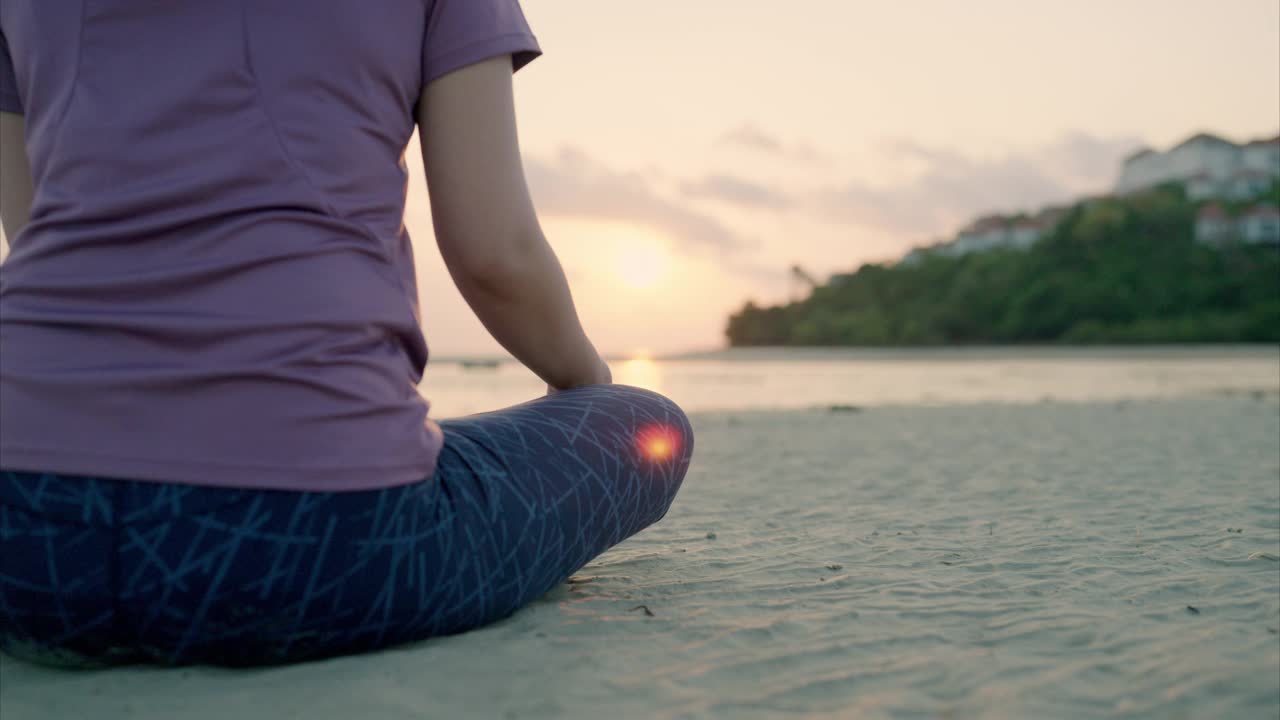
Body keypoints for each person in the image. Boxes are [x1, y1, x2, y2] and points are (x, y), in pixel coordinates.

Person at [0, 1, 692, 667]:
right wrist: (584, 392)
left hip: (24, 541)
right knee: (649, 426)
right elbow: (495, 256)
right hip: (317, 545)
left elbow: (29, 231)